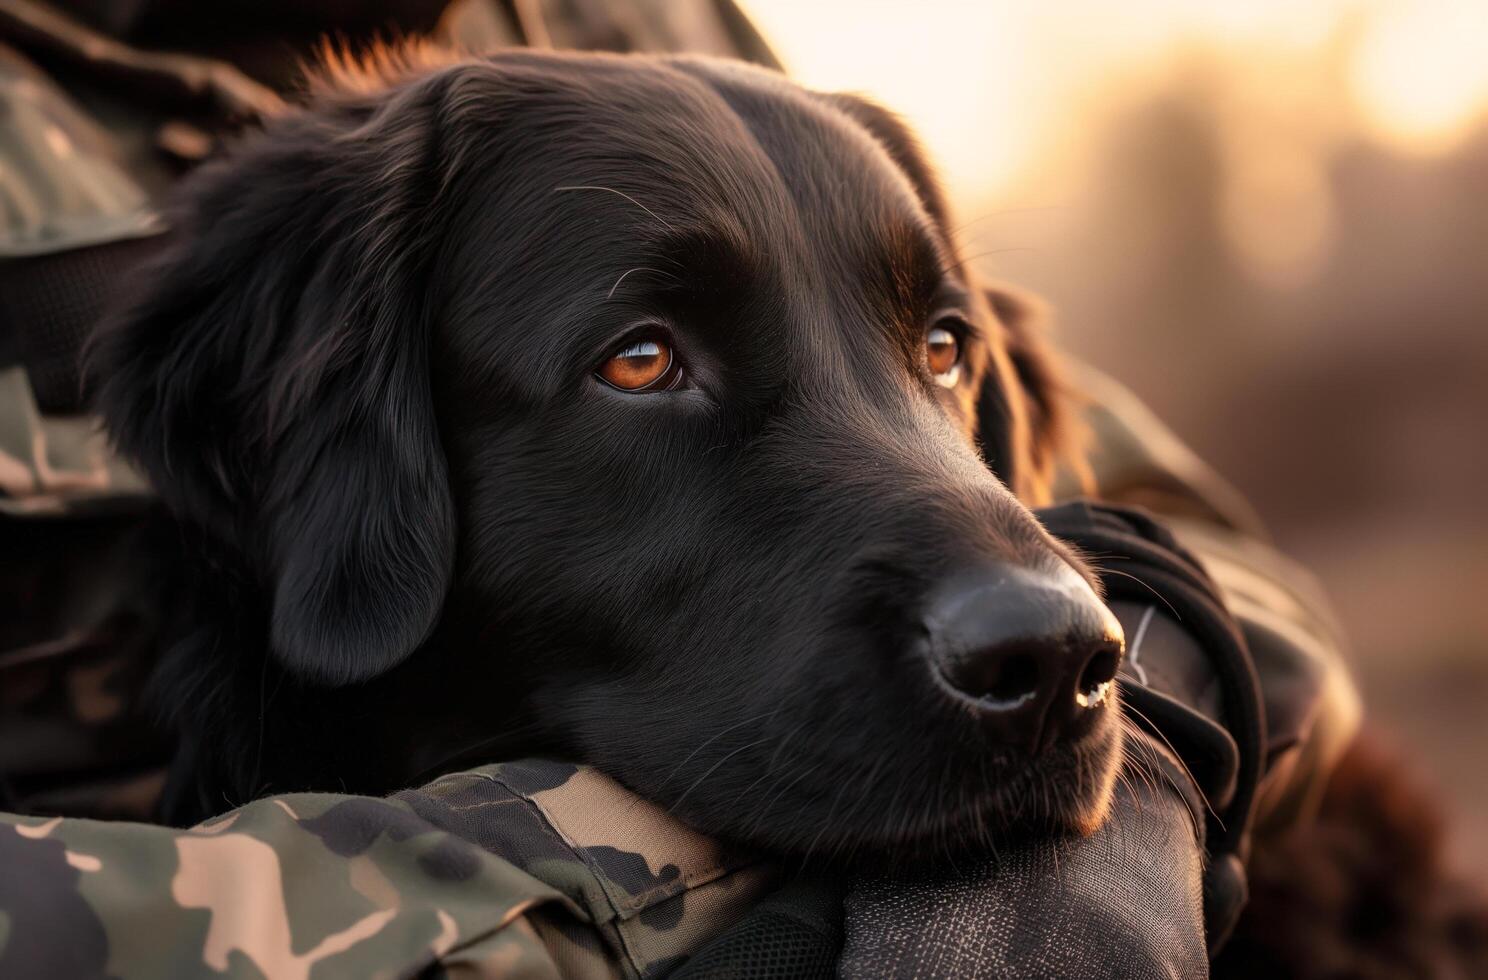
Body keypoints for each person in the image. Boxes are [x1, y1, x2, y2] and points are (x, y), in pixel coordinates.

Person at [0, 2, 1368, 976]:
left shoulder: (662, 27)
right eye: (645, 358)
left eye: (935, 347)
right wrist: (657, 909)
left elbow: (1184, 549)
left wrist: (1141, 782)